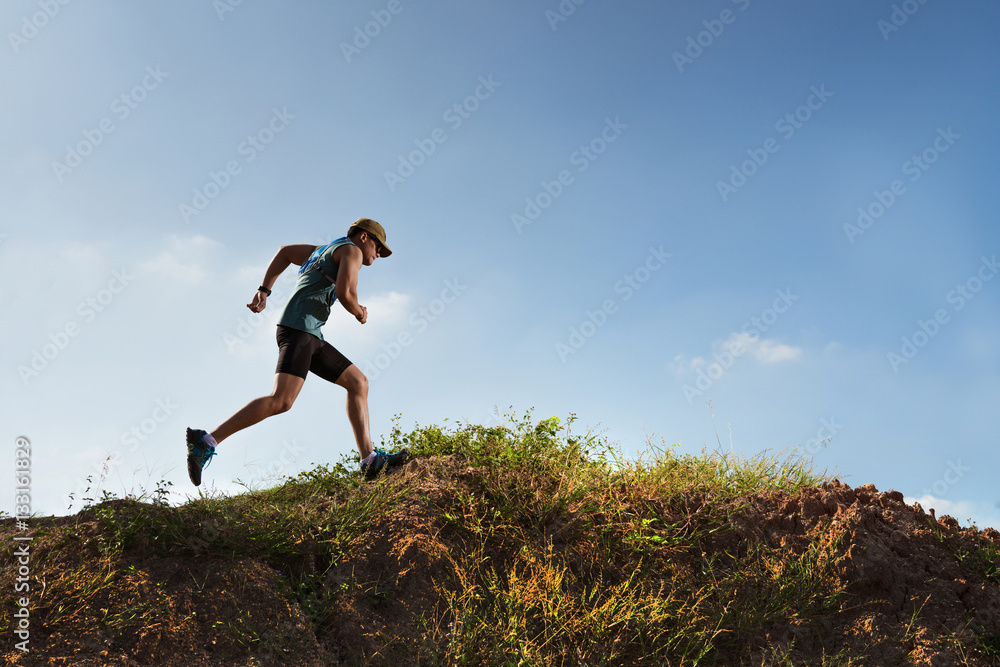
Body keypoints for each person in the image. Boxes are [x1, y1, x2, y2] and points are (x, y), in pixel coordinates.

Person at [185, 218, 408, 486]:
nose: (378, 254)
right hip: (298, 330)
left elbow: (284, 253)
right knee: (281, 400)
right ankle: (206, 440)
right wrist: (361, 313)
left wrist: (264, 289)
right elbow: (345, 292)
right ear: (363, 238)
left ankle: (369, 461)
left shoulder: (321, 250)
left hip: (310, 334)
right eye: (378, 247)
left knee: (358, 383)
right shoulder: (352, 250)